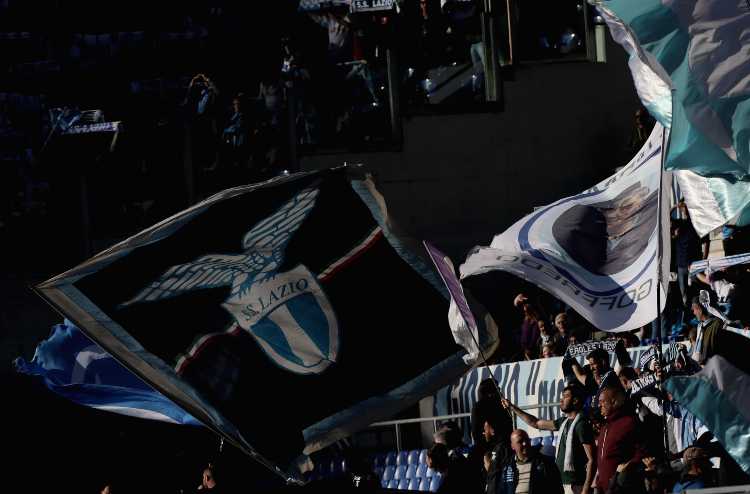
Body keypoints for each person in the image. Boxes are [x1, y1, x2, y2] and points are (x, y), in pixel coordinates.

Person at [503, 384, 596, 494]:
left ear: (575, 400)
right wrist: (513, 408)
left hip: (575, 486)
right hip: (561, 484)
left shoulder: (581, 425)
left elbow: (592, 459)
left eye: (565, 396)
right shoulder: (563, 422)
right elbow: (536, 423)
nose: (561, 400)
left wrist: (585, 489)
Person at [594, 385, 643, 493]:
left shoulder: (629, 423)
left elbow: (641, 453)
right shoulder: (604, 427)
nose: (599, 405)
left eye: (602, 401)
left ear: (614, 402)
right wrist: (598, 483)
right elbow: (602, 460)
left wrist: (625, 470)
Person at [491, 429, 564, 494]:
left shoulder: (545, 463)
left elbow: (557, 489)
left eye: (526, 439)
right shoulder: (507, 467)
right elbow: (502, 490)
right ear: (513, 446)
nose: (525, 443)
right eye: (520, 441)